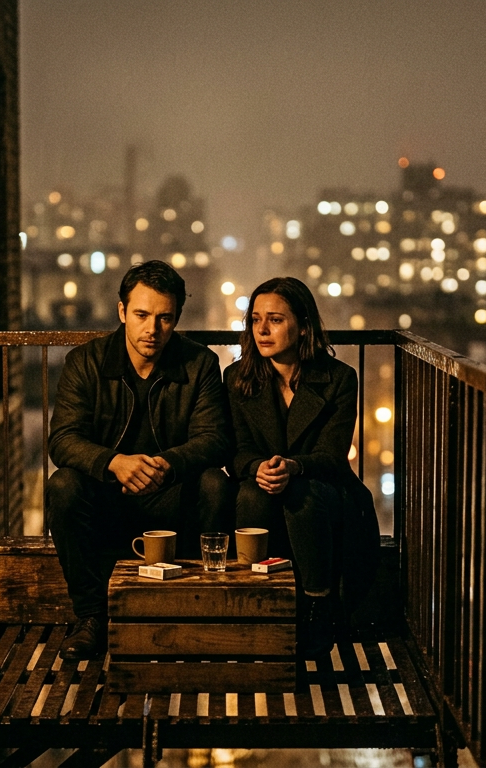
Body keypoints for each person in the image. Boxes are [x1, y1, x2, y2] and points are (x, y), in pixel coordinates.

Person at [47, 260, 234, 659]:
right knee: (61, 485)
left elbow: (214, 440)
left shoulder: (199, 363)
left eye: (165, 318)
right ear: (121, 312)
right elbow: (62, 439)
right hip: (108, 494)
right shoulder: (86, 362)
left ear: (178, 317)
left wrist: (166, 464)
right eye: (142, 315)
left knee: (215, 483)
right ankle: (91, 617)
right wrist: (115, 463)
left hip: (171, 494)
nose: (153, 329)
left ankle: (203, 608)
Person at [224, 277, 377, 657]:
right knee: (250, 494)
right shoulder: (238, 377)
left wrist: (293, 466)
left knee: (302, 496)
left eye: (274, 319)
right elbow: (235, 448)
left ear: (304, 326)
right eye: (255, 319)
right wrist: (257, 466)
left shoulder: (339, 378)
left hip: (323, 488)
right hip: (261, 484)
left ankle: (316, 605)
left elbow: (332, 455)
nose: (261, 329)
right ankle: (256, 603)